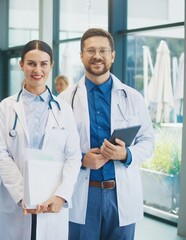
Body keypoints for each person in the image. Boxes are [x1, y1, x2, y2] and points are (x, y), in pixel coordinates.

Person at [58, 28, 155, 240]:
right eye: (90, 50)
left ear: (113, 55)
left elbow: (148, 141)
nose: (97, 56)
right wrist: (82, 159)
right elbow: (55, 149)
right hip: (84, 193)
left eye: (103, 50)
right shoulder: (64, 101)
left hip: (121, 195)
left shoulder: (133, 98)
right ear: (81, 55)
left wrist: (126, 154)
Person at [0, 40, 82, 240]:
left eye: (43, 64)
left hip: (52, 201)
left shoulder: (64, 110)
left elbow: (74, 157)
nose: (37, 69)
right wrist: (22, 194)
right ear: (22, 65)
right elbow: (0, 153)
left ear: (51, 66)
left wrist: (61, 195)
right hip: (15, 203)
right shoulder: (6, 107)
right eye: (31, 63)